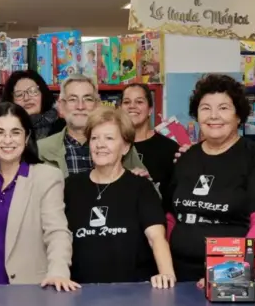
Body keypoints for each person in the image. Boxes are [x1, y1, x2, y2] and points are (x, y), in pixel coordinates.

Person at [164, 74, 255, 281]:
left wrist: (231, 272)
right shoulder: (186, 157)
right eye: (206, 108)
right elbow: (170, 216)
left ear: (239, 116)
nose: (214, 116)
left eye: (224, 108)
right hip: (178, 273)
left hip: (230, 275)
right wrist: (166, 268)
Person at [0, 102, 76, 290]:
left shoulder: (47, 177)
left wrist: (58, 272)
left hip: (29, 292)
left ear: (26, 138)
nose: (7, 140)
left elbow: (57, 231)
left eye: (15, 132)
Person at [64, 108, 176, 287]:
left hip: (132, 292)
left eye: (109, 138)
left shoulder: (141, 187)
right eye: (94, 138)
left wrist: (166, 274)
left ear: (125, 147)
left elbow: (156, 237)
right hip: (80, 292)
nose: (100, 144)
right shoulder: (71, 186)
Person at [38, 76, 146, 177]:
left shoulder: (120, 143)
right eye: (72, 99)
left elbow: (150, 191)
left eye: (88, 99)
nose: (80, 106)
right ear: (61, 106)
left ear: (98, 105)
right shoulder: (40, 149)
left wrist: (142, 179)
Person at [121, 83, 178, 190]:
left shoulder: (170, 148)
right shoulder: (112, 146)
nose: (132, 106)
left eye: (139, 102)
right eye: (126, 102)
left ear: (150, 110)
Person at [1, 70, 64, 139]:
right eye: (19, 94)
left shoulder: (62, 128)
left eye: (32, 91)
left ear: (43, 94)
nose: (26, 98)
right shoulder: (3, 131)